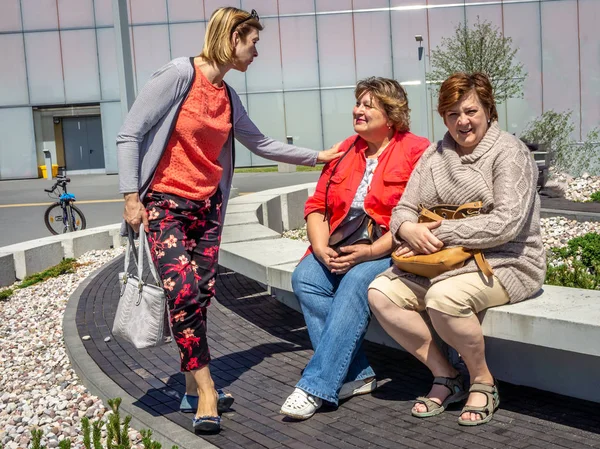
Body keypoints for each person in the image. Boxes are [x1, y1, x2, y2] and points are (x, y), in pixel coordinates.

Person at [116, 7, 341, 433]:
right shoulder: (178, 75)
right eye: (253, 41)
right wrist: (131, 196)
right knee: (181, 293)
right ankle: (206, 392)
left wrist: (317, 156)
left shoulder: (227, 96)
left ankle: (189, 384)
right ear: (233, 36)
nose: (256, 52)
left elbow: (261, 143)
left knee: (200, 296)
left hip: (208, 208)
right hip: (165, 204)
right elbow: (130, 133)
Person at [367, 72, 546, 426]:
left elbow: (506, 223)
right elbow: (403, 208)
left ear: (488, 110)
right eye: (452, 114)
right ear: (443, 117)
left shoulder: (510, 152)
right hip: (442, 262)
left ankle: (483, 380)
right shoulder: (435, 155)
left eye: (470, 111)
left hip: (508, 260)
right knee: (380, 292)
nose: (462, 122)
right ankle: (446, 375)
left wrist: (442, 232)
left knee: (444, 298)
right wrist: (407, 228)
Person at [280, 77, 430, 420]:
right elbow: (317, 204)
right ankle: (358, 374)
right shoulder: (346, 149)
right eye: (357, 103)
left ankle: (316, 385)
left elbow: (417, 214)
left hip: (391, 247)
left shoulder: (416, 151)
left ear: (390, 116)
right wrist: (319, 247)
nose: (357, 110)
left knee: (357, 280)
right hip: (343, 242)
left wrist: (371, 252)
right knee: (306, 277)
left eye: (367, 105)